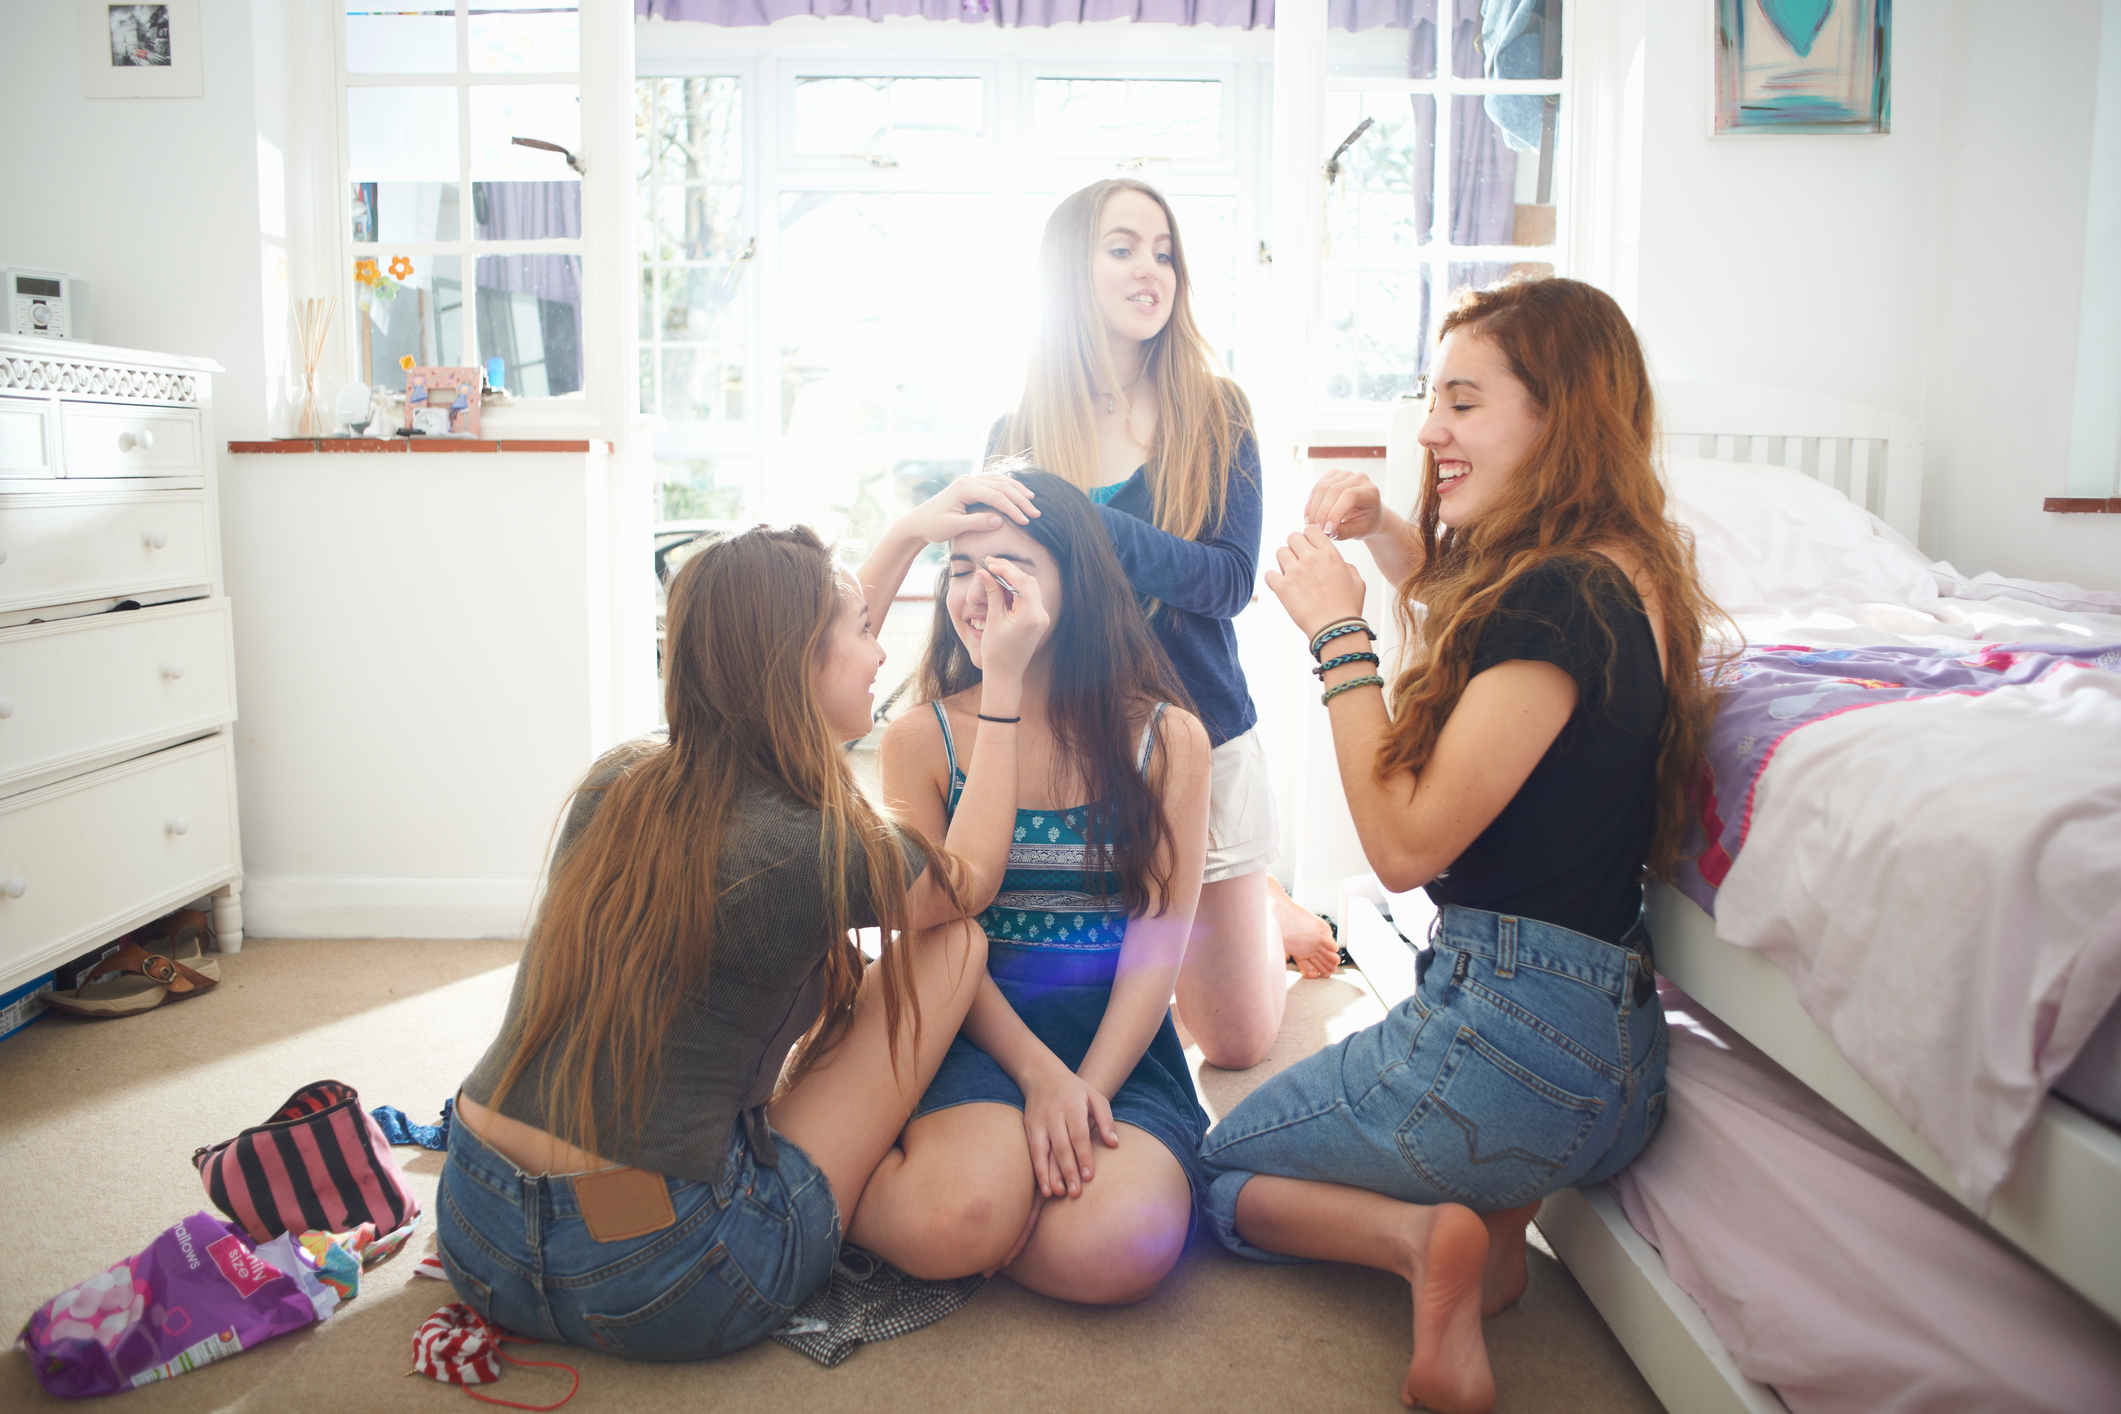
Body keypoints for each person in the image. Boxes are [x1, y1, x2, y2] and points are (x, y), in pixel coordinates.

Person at [1198, 278, 1727, 1412]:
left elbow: (1400, 844)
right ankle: (1485, 1241)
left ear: (1560, 417)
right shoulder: (1623, 571)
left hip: (1511, 1048)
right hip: (1620, 1057)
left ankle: (1416, 1242)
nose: (1430, 428)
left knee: (1216, 1172)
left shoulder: (1556, 600)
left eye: (1464, 403)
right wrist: (1390, 533)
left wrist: (1338, 630)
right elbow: (1485, 629)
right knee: (1433, 1140)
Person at [437, 470, 1051, 1361]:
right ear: (802, 658)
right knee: (952, 939)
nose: (880, 656)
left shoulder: (619, 778)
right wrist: (1004, 687)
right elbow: (969, 879)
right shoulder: (816, 845)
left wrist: (902, 540)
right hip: (663, 1274)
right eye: (859, 633)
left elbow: (785, 659)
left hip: (476, 1226)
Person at [991, 178, 1339, 1072]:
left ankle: (1267, 907)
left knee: (1234, 1042)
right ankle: (1233, 914)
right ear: (1072, 270)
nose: (1151, 269)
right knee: (1077, 1017)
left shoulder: (1214, 412)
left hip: (1204, 734)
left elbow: (1224, 583)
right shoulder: (1017, 428)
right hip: (1075, 747)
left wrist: (1080, 519)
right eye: (1121, 248)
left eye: (1164, 251)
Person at [848, 468, 1215, 1306]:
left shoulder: (1169, 738)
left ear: (1073, 587)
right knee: (963, 1212)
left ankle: (998, 1222)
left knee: (1121, 1246)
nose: (979, 592)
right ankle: (955, 1207)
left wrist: (1085, 1086)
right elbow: (933, 939)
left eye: (1008, 566)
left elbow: (1158, 945)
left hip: (1112, 1035)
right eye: (962, 569)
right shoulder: (922, 738)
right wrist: (1037, 1077)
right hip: (972, 1023)